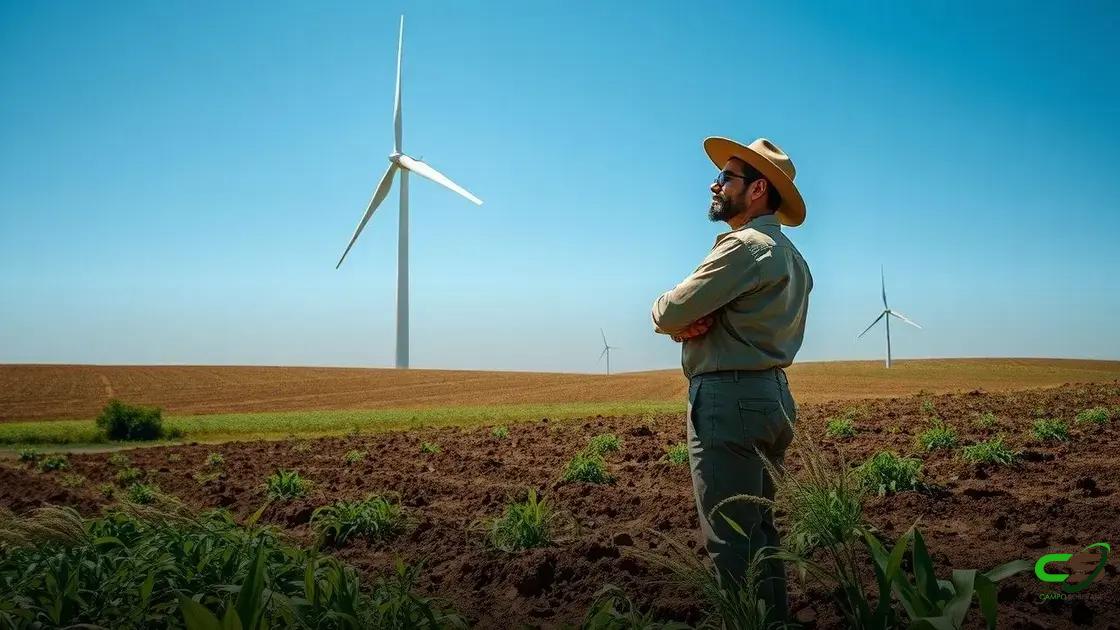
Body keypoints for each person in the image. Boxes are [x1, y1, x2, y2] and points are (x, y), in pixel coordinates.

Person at [650, 136, 812, 622]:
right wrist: (691, 323)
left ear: (758, 189)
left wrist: (673, 319)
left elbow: (670, 310)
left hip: (729, 400)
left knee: (731, 542)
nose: (714, 184)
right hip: (773, 397)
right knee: (760, 532)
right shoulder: (792, 257)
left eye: (726, 177)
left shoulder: (744, 248)